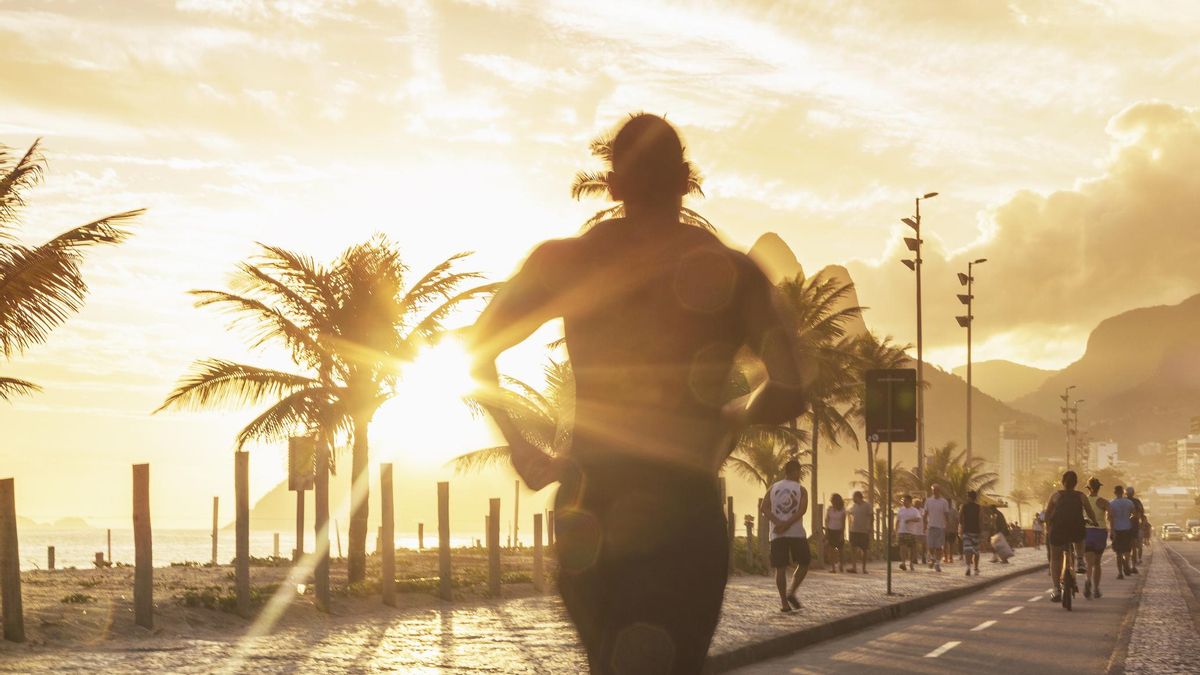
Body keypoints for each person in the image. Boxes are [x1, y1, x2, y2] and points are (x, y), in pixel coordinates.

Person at [468, 114, 813, 673]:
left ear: (612, 187)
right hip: (684, 511)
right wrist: (735, 414)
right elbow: (793, 386)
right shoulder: (734, 273)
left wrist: (521, 445)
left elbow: (478, 353)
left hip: (590, 505)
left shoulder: (566, 262)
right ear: (686, 182)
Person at [1044, 471, 1098, 603]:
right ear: (1076, 483)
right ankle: (1080, 559)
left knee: (1055, 558)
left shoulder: (1055, 495)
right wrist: (1094, 521)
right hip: (1076, 528)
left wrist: (1048, 526)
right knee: (1080, 537)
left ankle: (1056, 589)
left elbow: (1047, 515)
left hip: (1058, 530)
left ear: (1063, 482)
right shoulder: (1081, 496)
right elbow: (1090, 512)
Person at [764, 460, 811, 612]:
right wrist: (787, 524)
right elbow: (802, 510)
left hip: (777, 534)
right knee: (804, 563)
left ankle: (784, 603)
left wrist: (779, 523)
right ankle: (791, 592)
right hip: (796, 533)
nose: (799, 475)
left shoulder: (773, 488)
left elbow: (764, 508)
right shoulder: (801, 489)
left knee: (780, 568)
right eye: (799, 472)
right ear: (795, 471)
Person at [1082, 477, 1111, 599]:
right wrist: (1113, 530)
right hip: (1100, 532)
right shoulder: (1103, 502)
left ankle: (1088, 580)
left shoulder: (1083, 501)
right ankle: (1096, 589)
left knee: (1089, 563)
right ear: (1099, 488)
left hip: (1086, 532)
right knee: (1097, 563)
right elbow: (1111, 517)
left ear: (1088, 488)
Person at [1109, 485, 1136, 580]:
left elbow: (1110, 518)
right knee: (1127, 550)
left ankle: (1120, 573)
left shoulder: (1111, 503)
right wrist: (1129, 520)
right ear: (1123, 492)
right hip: (1127, 528)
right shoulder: (1129, 503)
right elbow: (1133, 515)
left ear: (1115, 492)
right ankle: (1127, 563)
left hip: (1117, 529)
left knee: (1118, 553)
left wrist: (1112, 531)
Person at [923, 484, 951, 572]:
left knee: (939, 547)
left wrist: (947, 526)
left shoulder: (944, 502)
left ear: (939, 490)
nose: (935, 491)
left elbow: (946, 515)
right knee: (931, 546)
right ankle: (932, 558)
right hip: (931, 526)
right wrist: (924, 524)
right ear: (932, 491)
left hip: (941, 527)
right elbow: (925, 513)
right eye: (933, 490)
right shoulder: (928, 501)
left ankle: (937, 563)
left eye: (936, 490)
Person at [847, 491, 872, 573]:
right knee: (852, 548)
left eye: (854, 497)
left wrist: (870, 527)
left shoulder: (867, 505)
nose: (853, 499)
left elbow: (871, 516)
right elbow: (850, 515)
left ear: (858, 497)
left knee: (864, 550)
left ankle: (864, 568)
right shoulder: (854, 506)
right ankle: (854, 567)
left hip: (864, 531)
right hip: (854, 530)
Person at [895, 495, 921, 571]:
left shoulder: (914, 510)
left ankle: (911, 563)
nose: (904, 502)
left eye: (905, 501)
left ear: (909, 501)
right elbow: (898, 520)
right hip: (902, 531)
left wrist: (910, 520)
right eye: (903, 501)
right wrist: (895, 530)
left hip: (912, 532)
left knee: (912, 549)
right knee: (902, 547)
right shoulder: (901, 510)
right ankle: (903, 563)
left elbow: (918, 519)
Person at [960, 491, 982, 576]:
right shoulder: (979, 507)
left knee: (967, 551)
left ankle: (968, 567)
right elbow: (980, 520)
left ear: (969, 497)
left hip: (967, 532)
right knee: (976, 551)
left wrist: (961, 529)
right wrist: (982, 532)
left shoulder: (964, 506)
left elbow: (960, 518)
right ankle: (975, 568)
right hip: (976, 531)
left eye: (967, 496)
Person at [824, 493, 847, 573]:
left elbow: (843, 522)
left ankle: (841, 565)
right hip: (831, 530)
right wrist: (826, 531)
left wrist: (842, 533)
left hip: (839, 530)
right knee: (831, 550)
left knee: (840, 550)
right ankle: (833, 567)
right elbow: (827, 520)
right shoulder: (829, 509)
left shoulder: (843, 510)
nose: (832, 502)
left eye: (833, 500)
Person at [1127, 487, 1144, 571]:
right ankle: (1133, 566)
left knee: (1125, 548)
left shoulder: (1124, 501)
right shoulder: (1137, 502)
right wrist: (1142, 526)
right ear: (1133, 493)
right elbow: (1142, 515)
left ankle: (1126, 564)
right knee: (1133, 547)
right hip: (1134, 526)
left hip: (1124, 527)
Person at [944, 499, 959, 563]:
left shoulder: (954, 511)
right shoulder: (943, 510)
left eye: (949, 502)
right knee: (944, 544)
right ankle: (945, 557)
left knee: (951, 544)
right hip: (944, 529)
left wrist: (956, 528)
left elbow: (957, 520)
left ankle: (951, 557)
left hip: (952, 529)